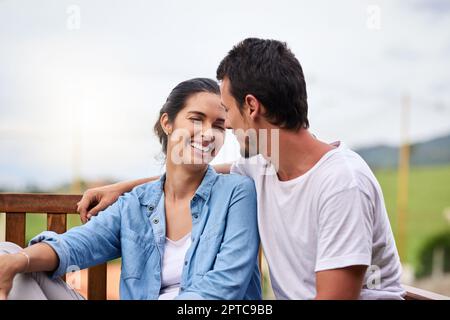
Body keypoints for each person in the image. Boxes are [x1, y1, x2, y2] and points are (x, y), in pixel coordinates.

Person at [77, 38, 406, 300]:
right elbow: (203, 171)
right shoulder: (264, 167)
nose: (227, 124)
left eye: (227, 111)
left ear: (251, 106)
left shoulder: (341, 183)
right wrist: (121, 188)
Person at [0, 78, 261, 300]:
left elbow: (225, 286)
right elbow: (77, 245)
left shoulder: (237, 192)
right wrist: (18, 261)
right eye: (196, 119)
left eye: (218, 125)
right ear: (167, 123)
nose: (207, 133)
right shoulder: (136, 203)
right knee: (10, 256)